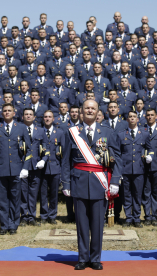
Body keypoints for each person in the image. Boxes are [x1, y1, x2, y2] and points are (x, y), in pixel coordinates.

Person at [61, 100, 122, 270]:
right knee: (81, 224)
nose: (89, 110)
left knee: (97, 224)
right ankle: (82, 258)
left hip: (99, 183)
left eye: (93, 108)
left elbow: (117, 158)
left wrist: (115, 181)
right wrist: (65, 182)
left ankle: (95, 258)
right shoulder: (72, 133)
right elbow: (65, 160)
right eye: (86, 108)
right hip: (78, 182)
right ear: (81, 111)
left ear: (98, 112)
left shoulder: (108, 132)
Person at [0, 103, 31, 235]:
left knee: (15, 198)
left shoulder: (22, 128)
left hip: (17, 169)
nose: (7, 112)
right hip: (0, 169)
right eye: (4, 111)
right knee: (2, 199)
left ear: (14, 113)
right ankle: (4, 225)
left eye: (9, 110)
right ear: (2, 114)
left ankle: (13, 224)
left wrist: (25, 167)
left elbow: (29, 149)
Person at [39, 110, 65, 224]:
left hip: (55, 167)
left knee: (54, 193)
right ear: (43, 118)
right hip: (42, 168)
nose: (47, 119)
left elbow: (63, 151)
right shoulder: (39, 132)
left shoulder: (59, 133)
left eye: (49, 117)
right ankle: (44, 216)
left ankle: (52, 215)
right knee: (43, 193)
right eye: (45, 117)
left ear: (53, 119)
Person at [142, 108, 157, 226]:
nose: (150, 117)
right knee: (146, 191)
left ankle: (154, 214)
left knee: (156, 191)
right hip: (144, 166)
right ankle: (147, 215)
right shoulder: (142, 130)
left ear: (156, 116)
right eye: (148, 115)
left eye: (152, 115)